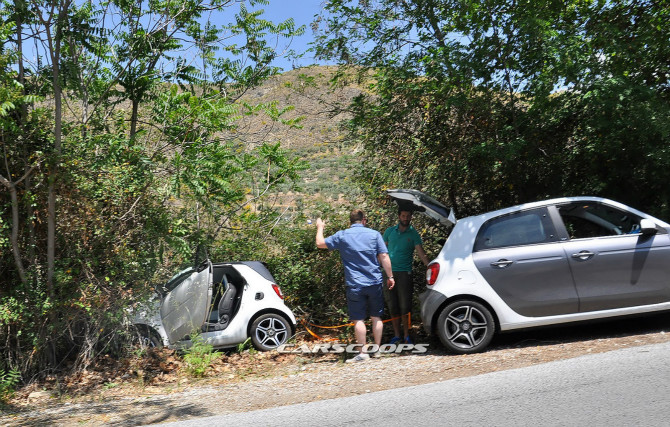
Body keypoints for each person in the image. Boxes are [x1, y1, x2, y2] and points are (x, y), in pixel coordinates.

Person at [316, 209, 395, 363]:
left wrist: (320, 227)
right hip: (374, 282)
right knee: (376, 316)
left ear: (350, 221)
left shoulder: (343, 235)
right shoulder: (374, 234)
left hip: (355, 284)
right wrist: (390, 276)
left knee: (358, 319)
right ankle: (377, 350)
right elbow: (384, 256)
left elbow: (320, 243)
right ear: (364, 220)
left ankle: (363, 353)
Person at [383, 208, 429, 345]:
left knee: (405, 306)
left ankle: (406, 335)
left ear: (411, 218)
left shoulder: (413, 234)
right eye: (403, 215)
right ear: (398, 216)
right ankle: (397, 335)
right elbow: (382, 252)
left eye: (408, 216)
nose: (405, 218)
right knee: (393, 306)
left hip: (405, 274)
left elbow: (420, 252)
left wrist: (430, 266)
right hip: (388, 273)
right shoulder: (389, 232)